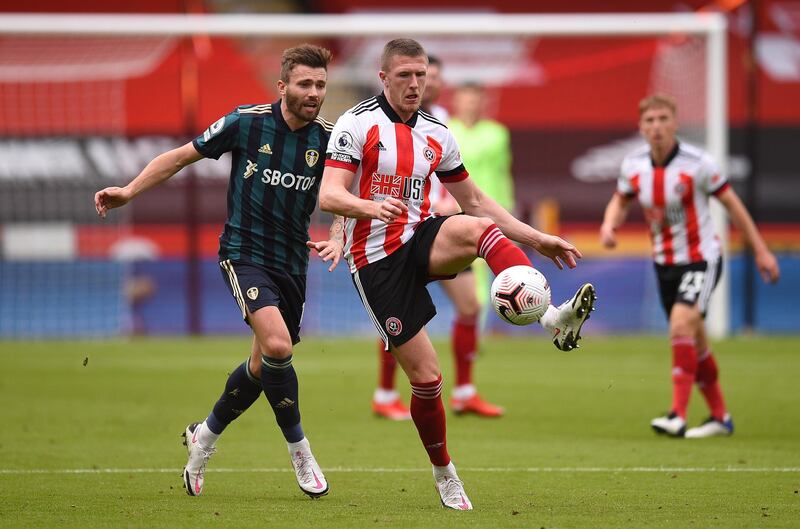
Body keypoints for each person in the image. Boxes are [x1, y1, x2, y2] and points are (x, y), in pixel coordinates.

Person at [320, 38, 596, 510]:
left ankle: (551, 316)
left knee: (480, 228)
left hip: (421, 239)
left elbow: (475, 201)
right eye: (404, 75)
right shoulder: (356, 122)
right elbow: (329, 194)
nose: (414, 84)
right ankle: (444, 470)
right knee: (427, 380)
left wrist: (538, 238)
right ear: (384, 78)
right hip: (375, 261)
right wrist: (369, 207)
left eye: (421, 75)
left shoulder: (436, 132)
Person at [94, 44, 343, 497]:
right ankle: (300, 451)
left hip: (292, 262)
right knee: (278, 344)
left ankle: (203, 437)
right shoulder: (246, 123)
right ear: (282, 85)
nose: (314, 93)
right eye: (305, 84)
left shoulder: (328, 138)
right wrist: (130, 191)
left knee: (260, 365)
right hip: (243, 253)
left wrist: (341, 231)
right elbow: (179, 156)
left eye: (321, 85)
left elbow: (344, 190)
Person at [600, 93, 780, 438]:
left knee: (681, 324)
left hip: (701, 258)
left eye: (663, 119)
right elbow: (619, 200)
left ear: (675, 123)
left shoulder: (699, 163)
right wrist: (610, 225)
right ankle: (719, 417)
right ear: (641, 126)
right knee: (694, 343)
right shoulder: (633, 165)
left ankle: (677, 415)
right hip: (664, 263)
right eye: (649, 121)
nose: (656, 127)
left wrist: (761, 251)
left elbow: (733, 205)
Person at [371, 57, 504, 420]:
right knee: (399, 316)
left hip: (440, 228)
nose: (426, 82)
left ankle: (464, 391)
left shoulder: (444, 122)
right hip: (402, 233)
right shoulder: (381, 121)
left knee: (470, 306)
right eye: (414, 75)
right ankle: (384, 394)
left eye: (431, 75)